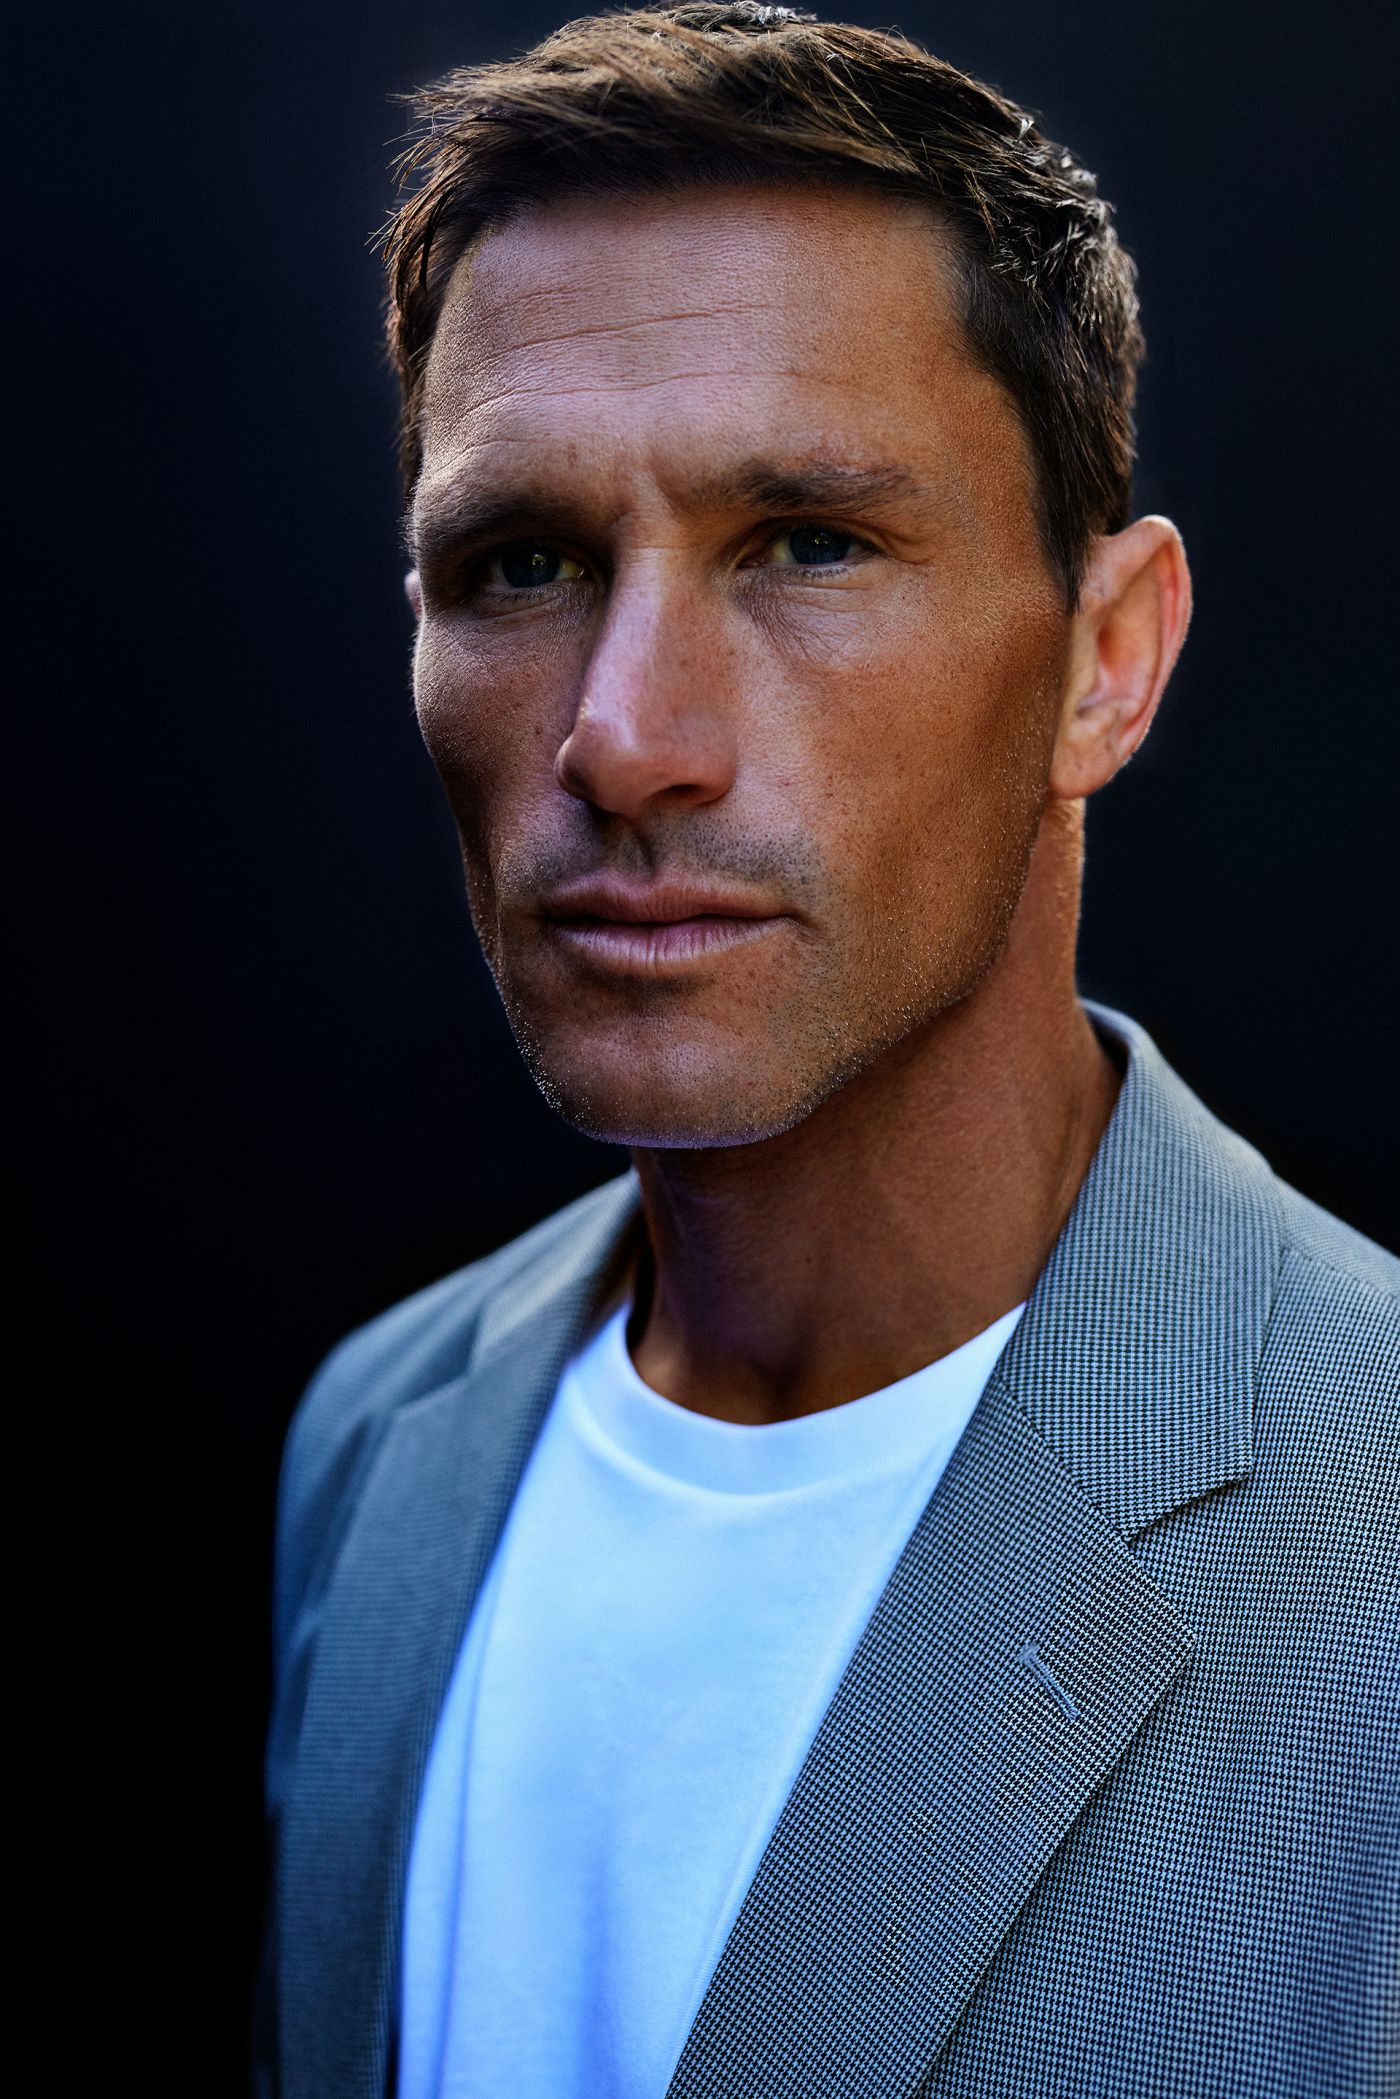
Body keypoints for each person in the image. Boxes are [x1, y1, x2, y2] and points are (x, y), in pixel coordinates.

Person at [255, 9, 1399, 2095]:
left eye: (807, 543)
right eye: (523, 564)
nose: (623, 737)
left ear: (1106, 658)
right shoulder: (376, 1445)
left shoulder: (1375, 1526)